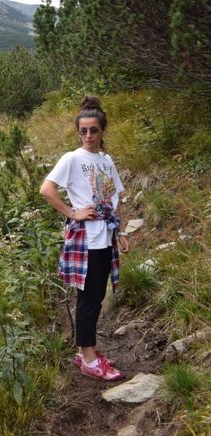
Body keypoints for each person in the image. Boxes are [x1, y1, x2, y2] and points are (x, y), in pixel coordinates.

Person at [39, 96, 130, 381]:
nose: (88, 136)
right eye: (83, 131)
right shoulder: (72, 158)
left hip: (105, 236)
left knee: (95, 295)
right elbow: (46, 189)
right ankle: (89, 359)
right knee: (89, 299)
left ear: (102, 130)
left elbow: (114, 198)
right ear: (78, 132)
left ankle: (85, 352)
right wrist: (73, 213)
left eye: (93, 130)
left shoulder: (106, 160)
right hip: (87, 239)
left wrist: (121, 231)